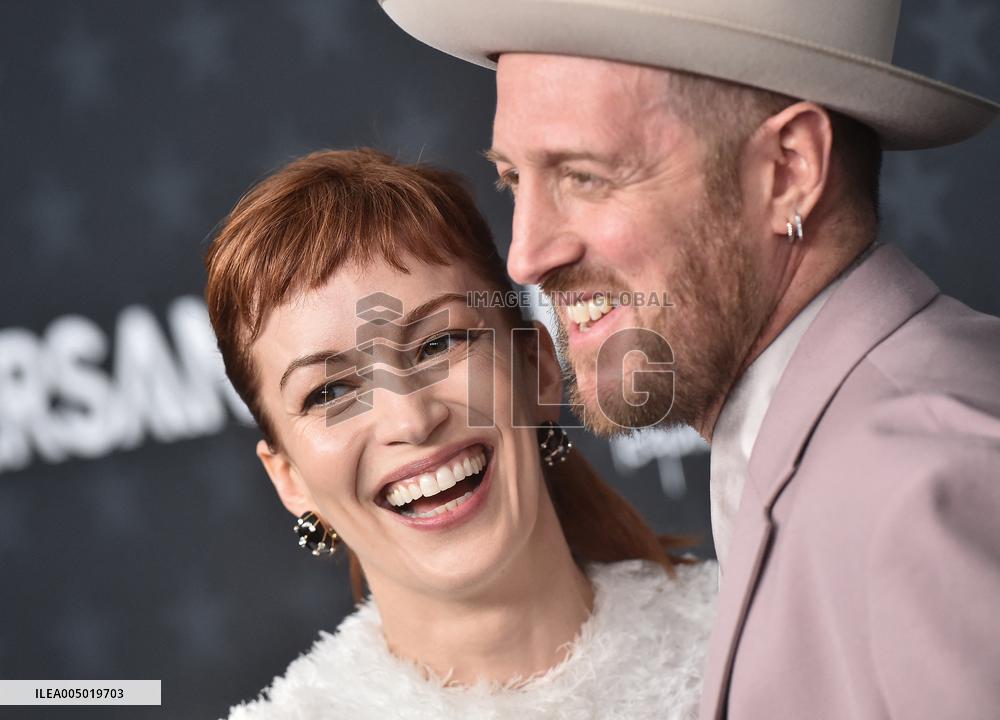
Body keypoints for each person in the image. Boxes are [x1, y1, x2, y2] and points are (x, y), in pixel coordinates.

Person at [379, 1, 1000, 719]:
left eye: (584, 176)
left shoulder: (931, 488)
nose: (528, 255)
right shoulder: (823, 450)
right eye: (513, 181)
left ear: (789, 171)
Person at [205, 149, 717, 719]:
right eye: (330, 393)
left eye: (438, 344)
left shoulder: (754, 637)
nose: (411, 419)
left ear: (537, 369)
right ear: (288, 478)